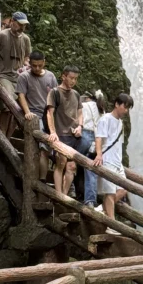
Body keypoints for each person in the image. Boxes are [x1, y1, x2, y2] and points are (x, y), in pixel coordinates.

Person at [92, 92, 133, 227]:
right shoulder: (105, 119)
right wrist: (99, 154)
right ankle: (112, 225)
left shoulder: (120, 123)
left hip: (117, 162)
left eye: (128, 108)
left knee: (124, 188)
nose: (126, 111)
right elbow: (99, 138)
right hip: (107, 160)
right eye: (125, 107)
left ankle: (102, 208)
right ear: (117, 104)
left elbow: (119, 144)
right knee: (109, 192)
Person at [0, 12, 31, 131]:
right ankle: (2, 133)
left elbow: (26, 57)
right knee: (8, 104)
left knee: (19, 110)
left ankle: (7, 137)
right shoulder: (2, 35)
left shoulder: (26, 39)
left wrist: (27, 65)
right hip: (3, 75)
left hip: (19, 77)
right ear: (12, 21)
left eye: (24, 25)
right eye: (20, 24)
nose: (22, 27)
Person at [48, 65, 84, 198]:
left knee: (72, 167)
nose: (73, 81)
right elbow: (49, 113)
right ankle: (58, 194)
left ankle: (64, 195)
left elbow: (80, 113)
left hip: (73, 136)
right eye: (71, 78)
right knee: (61, 163)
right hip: (60, 135)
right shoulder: (54, 92)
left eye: (76, 78)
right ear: (63, 76)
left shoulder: (76, 94)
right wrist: (53, 132)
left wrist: (80, 126)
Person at [79, 92, 101, 207]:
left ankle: (70, 191)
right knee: (90, 169)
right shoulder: (101, 108)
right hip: (96, 139)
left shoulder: (83, 105)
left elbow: (78, 119)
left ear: (88, 97)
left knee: (71, 162)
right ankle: (90, 201)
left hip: (84, 135)